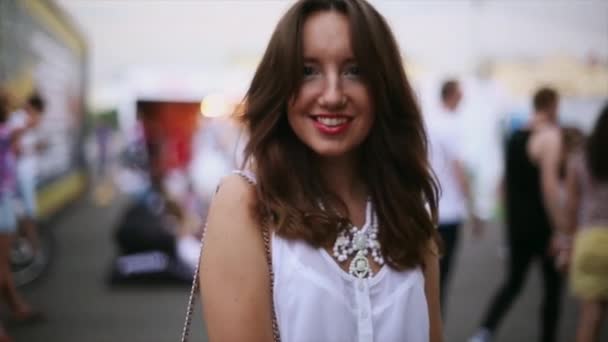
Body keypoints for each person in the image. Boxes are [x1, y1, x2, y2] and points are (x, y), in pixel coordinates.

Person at [198, 1, 442, 341]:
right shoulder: (245, 202)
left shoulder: (406, 202)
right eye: (308, 71)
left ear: (383, 85)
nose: (332, 95)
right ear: (281, 83)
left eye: (354, 70)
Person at [470, 87, 564, 342]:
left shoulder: (514, 136)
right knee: (553, 290)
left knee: (513, 283)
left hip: (518, 226)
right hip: (543, 226)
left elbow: (505, 182)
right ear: (552, 105)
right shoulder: (550, 136)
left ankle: (484, 331)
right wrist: (561, 229)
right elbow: (549, 187)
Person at [427, 79, 481, 315]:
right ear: (451, 94)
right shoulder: (450, 125)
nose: (463, 99)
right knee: (441, 279)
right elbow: (459, 170)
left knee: (425, 278)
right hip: (447, 214)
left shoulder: (428, 121)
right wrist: (473, 208)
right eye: (460, 94)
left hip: (425, 210)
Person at [561, 105, 608, 342]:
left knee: (589, 321)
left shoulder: (581, 158)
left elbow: (570, 208)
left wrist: (566, 245)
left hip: (589, 242)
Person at [8, 93, 45, 253]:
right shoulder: (18, 121)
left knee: (23, 212)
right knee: (29, 212)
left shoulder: (24, 121)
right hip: (21, 174)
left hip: (26, 174)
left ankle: (27, 244)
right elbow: (14, 149)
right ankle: (33, 246)